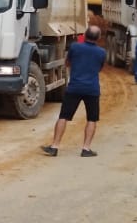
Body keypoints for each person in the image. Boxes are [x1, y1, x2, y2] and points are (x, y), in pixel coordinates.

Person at [41, 26, 107, 157]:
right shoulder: (102, 52)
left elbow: (67, 63)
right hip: (92, 89)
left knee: (63, 117)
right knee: (92, 119)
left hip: (74, 87)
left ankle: (54, 146)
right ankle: (86, 149)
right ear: (98, 38)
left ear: (85, 35)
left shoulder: (75, 47)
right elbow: (100, 68)